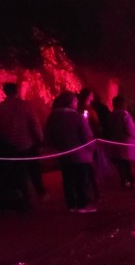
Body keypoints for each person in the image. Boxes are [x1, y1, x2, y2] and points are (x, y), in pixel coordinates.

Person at [45, 91, 95, 212]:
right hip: (80, 154)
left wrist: (56, 147)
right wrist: (91, 148)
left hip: (63, 154)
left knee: (68, 180)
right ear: (70, 102)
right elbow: (86, 135)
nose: (77, 102)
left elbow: (48, 135)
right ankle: (82, 205)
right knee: (81, 180)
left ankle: (71, 205)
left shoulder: (53, 116)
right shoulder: (77, 117)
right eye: (75, 100)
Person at [0, 81, 44, 209]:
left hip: (8, 147)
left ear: (5, 92)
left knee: (16, 174)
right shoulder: (25, 106)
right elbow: (34, 124)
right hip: (27, 145)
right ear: (17, 91)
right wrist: (40, 140)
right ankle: (39, 192)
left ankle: (22, 199)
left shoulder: (1, 107)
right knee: (32, 169)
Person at [108, 95, 135, 187]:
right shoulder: (124, 114)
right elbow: (130, 129)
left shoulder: (112, 114)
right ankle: (131, 181)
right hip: (126, 144)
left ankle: (124, 181)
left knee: (121, 164)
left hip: (116, 143)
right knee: (128, 164)